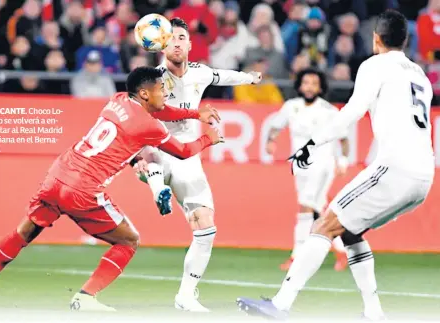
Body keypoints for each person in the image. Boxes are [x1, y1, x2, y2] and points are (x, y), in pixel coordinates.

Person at [237, 10, 434, 320]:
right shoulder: (420, 74)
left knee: (324, 224)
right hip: (424, 175)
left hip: (395, 167)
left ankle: (281, 304)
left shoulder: (375, 65)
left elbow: (352, 112)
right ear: (405, 40)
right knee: (349, 231)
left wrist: (312, 143)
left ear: (375, 38)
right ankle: (373, 311)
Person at [0, 67, 224, 311]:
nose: (165, 95)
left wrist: (193, 114)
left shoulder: (116, 99)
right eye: (161, 89)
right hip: (84, 189)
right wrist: (209, 139)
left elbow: (161, 111)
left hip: (58, 174)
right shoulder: (149, 126)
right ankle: (86, 296)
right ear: (145, 94)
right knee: (128, 241)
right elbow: (182, 152)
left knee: (26, 230)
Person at [133, 18, 261, 312]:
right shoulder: (153, 79)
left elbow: (222, 76)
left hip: (188, 157)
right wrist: (195, 114)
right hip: (159, 148)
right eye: (172, 38)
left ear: (190, 45)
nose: (177, 42)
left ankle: (186, 296)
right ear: (161, 43)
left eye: (182, 37)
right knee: (148, 155)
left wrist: (249, 77)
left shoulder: (200, 73)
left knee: (206, 227)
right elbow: (155, 112)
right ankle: (155, 186)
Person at [266, 68, 350, 272]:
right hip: (301, 168)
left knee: (304, 208)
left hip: (322, 165)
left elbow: (344, 138)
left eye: (314, 83)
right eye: (306, 83)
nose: (309, 87)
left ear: (320, 87)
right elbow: (275, 125)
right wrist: (271, 140)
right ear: (300, 85)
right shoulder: (291, 107)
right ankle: (343, 251)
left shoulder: (328, 111)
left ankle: (297, 257)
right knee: (320, 210)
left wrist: (343, 161)